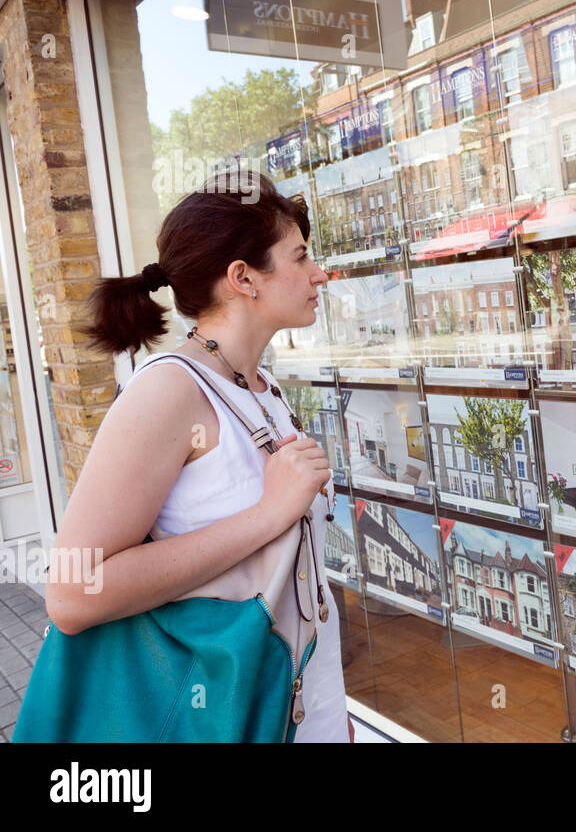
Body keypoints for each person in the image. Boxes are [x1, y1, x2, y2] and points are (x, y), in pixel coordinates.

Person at [44, 170, 351, 742]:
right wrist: (267, 514)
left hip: (300, 707)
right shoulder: (170, 391)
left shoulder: (259, 387)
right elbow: (71, 592)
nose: (319, 273)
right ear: (243, 278)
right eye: (301, 256)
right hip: (226, 717)